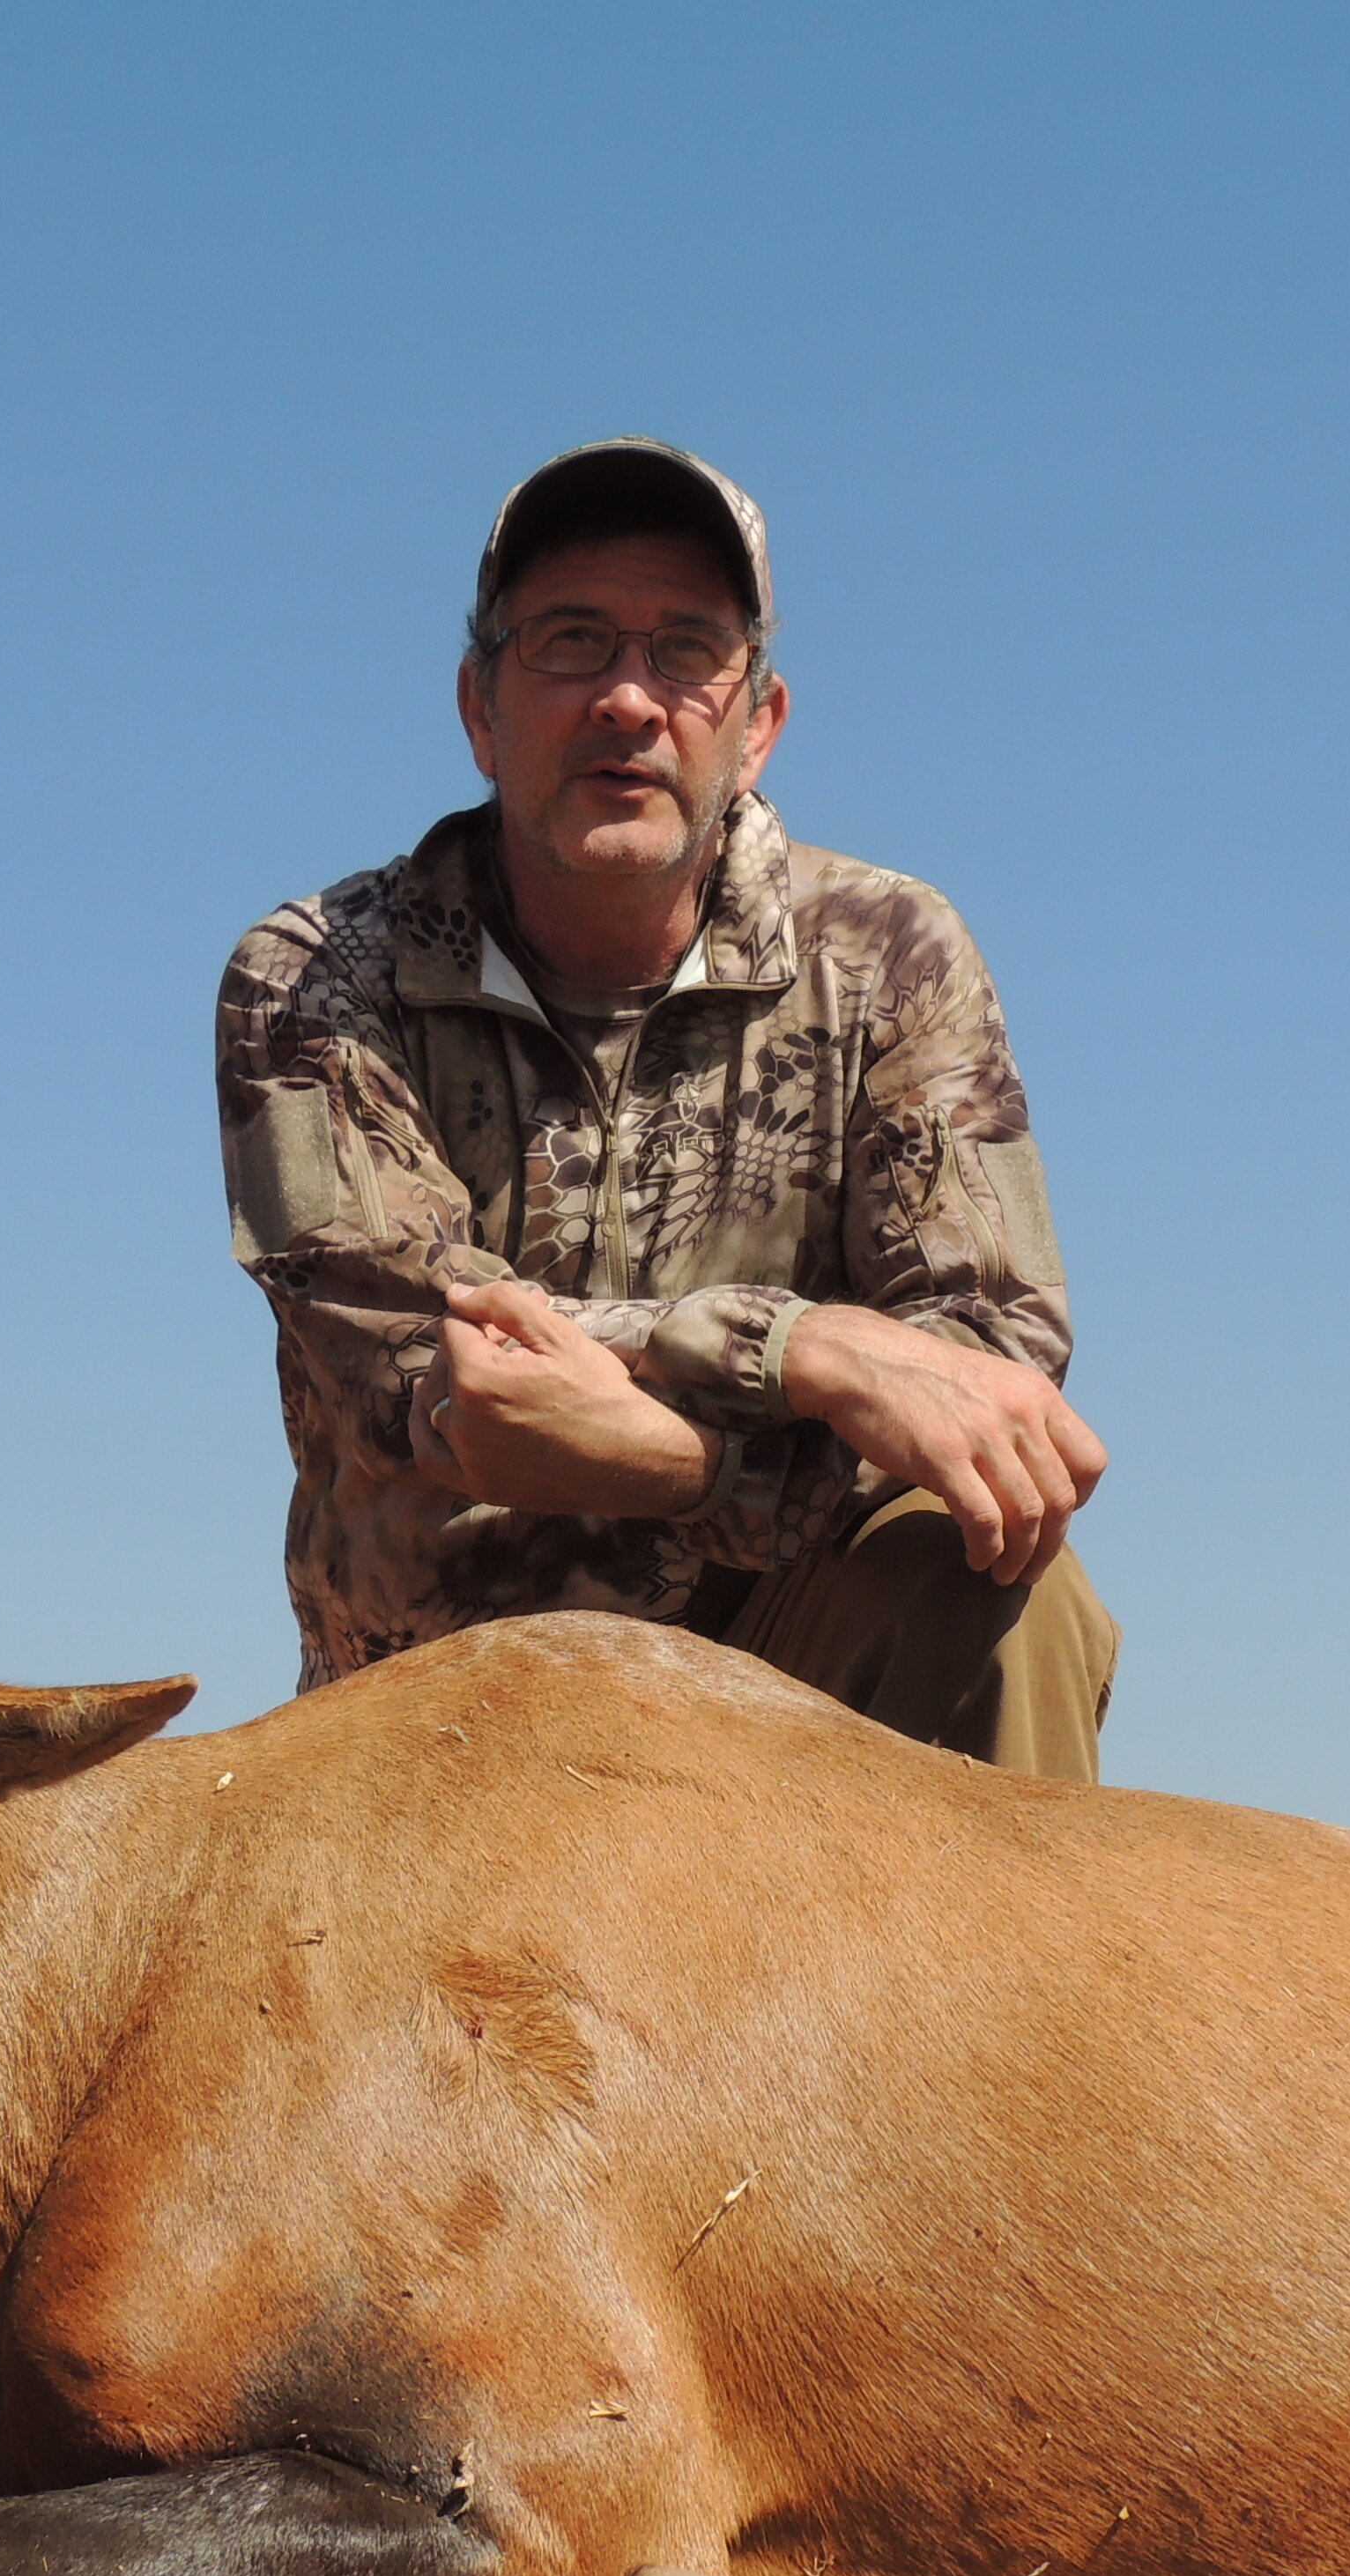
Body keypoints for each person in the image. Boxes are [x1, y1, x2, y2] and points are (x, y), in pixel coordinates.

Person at [214, 439, 1119, 1777]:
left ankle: (1019, 1987)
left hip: (790, 1687)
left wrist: (690, 1472)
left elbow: (987, 1378)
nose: (629, 700)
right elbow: (436, 1369)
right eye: (571, 643)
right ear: (479, 706)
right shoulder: (315, 975)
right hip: (433, 1725)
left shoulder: (890, 952)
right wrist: (804, 1353)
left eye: (687, 651)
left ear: (759, 722)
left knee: (1005, 1588)